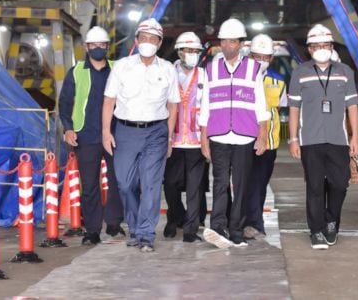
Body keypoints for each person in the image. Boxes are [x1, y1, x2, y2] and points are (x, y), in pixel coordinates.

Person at [101, 18, 179, 253]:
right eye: (143, 38)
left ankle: (145, 234)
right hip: (125, 131)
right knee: (125, 183)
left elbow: (173, 105)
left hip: (156, 132)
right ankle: (134, 226)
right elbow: (109, 100)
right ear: (136, 40)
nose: (148, 42)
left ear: (159, 42)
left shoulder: (167, 69)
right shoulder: (122, 67)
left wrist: (169, 137)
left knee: (151, 184)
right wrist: (106, 131)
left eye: (153, 39)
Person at [288, 24, 358, 250]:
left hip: (338, 139)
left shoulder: (345, 71)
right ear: (309, 49)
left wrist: (355, 137)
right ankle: (317, 230)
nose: (322, 49)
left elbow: (353, 107)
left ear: (331, 47)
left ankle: (331, 220)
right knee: (315, 187)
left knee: (340, 184)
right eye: (317, 46)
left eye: (326, 45)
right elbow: (293, 109)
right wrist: (293, 139)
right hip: (310, 140)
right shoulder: (300, 73)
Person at [199, 18, 269, 249]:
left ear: (241, 44)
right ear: (220, 43)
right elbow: (205, 105)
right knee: (219, 183)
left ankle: (236, 230)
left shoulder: (253, 69)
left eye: (233, 41)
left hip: (244, 135)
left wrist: (262, 136)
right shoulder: (210, 69)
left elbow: (261, 105)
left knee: (240, 184)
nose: (228, 45)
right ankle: (218, 228)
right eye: (224, 41)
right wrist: (203, 138)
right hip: (218, 135)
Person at [58, 26, 125, 245]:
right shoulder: (76, 72)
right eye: (93, 45)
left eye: (102, 45)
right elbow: (65, 102)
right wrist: (68, 128)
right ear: (87, 47)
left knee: (118, 182)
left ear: (107, 47)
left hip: (115, 134)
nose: (98, 48)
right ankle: (93, 230)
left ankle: (114, 223)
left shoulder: (118, 69)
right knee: (90, 184)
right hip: (85, 135)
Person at [163, 31, 207, 243]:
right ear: (180, 52)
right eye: (188, 51)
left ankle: (191, 229)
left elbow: (208, 109)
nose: (192, 54)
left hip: (197, 140)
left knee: (195, 187)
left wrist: (208, 140)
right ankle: (173, 219)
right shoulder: (167, 72)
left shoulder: (205, 75)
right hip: (173, 139)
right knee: (170, 184)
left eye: (195, 51)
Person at [244, 34, 287, 239]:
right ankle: (246, 222)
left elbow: (280, 107)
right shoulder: (240, 77)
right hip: (243, 139)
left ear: (271, 58)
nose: (261, 60)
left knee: (260, 183)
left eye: (265, 57)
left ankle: (255, 223)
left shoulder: (278, 81)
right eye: (257, 56)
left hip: (269, 141)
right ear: (250, 55)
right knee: (244, 182)